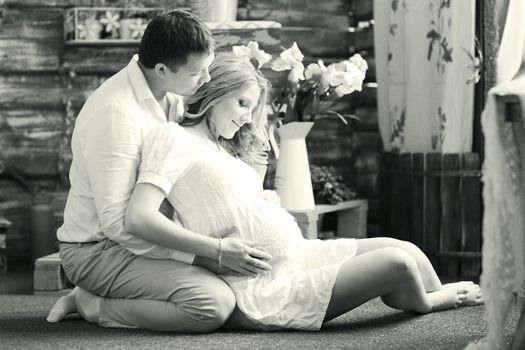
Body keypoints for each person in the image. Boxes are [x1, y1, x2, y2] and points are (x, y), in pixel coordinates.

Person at [118, 52, 481, 331]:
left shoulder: (221, 148)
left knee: (407, 250)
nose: (247, 117)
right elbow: (140, 217)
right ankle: (431, 304)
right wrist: (216, 249)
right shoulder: (174, 138)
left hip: (298, 256)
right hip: (265, 285)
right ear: (214, 92)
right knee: (397, 264)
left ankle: (427, 299)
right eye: (242, 104)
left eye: (253, 108)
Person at [46, 10, 273, 332]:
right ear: (163, 69)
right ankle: (91, 303)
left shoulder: (171, 98)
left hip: (140, 238)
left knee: (246, 273)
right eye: (198, 74)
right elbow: (117, 225)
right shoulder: (116, 114)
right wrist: (207, 255)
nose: (207, 80)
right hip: (98, 249)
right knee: (212, 304)